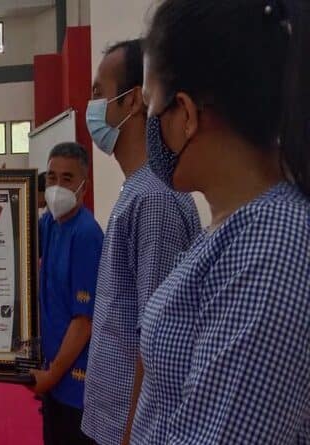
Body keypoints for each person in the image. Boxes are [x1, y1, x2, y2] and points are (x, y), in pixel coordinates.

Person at [130, 1, 310, 443]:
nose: (146, 124)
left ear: (186, 114)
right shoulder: (234, 228)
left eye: (150, 105)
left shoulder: (271, 249)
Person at [81, 39, 201, 445]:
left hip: (127, 428)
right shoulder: (137, 190)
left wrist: (133, 433)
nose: (91, 106)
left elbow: (156, 337)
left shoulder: (154, 200)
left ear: (132, 100)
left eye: (98, 92)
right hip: (109, 420)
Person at [29, 142, 104, 445]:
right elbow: (12, 237)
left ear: (84, 187)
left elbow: (83, 322)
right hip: (53, 377)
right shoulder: (50, 223)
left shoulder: (86, 235)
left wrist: (51, 375)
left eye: (67, 178)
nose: (57, 186)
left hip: (75, 385)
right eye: (52, 177)